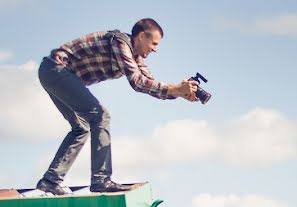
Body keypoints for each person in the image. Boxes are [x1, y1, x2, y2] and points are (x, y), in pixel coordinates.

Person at [35, 18, 199, 195]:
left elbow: (150, 84)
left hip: (54, 73)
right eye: (154, 43)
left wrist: (180, 93)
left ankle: (50, 181)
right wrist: (175, 89)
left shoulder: (135, 58)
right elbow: (137, 82)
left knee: (81, 127)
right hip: (56, 69)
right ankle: (101, 179)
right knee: (100, 116)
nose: (155, 49)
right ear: (142, 36)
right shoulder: (120, 43)